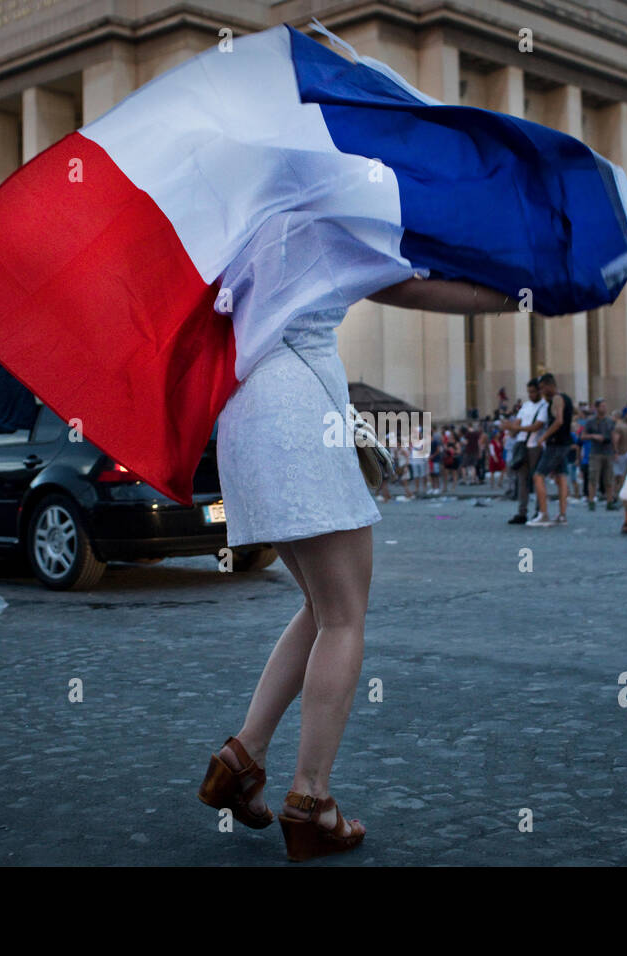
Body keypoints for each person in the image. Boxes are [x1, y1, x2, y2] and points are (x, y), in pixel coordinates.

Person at [196, 276, 519, 861]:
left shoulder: (241, 214)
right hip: (302, 415)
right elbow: (407, 286)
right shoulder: (324, 201)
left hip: (244, 417)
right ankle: (311, 799)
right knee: (344, 617)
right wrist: (515, 293)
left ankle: (241, 760)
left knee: (322, 607)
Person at [528, 373, 573, 527]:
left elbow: (559, 420)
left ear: (549, 385)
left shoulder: (557, 399)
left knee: (538, 476)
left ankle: (543, 513)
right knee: (561, 477)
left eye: (542, 388)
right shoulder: (567, 398)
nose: (541, 392)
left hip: (556, 444)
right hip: (564, 443)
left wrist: (543, 437)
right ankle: (562, 515)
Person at [500, 379, 547, 525]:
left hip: (535, 446)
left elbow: (536, 426)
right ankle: (522, 512)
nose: (531, 395)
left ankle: (539, 511)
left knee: (537, 479)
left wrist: (516, 428)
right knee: (522, 480)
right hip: (521, 444)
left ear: (539, 390)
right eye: (529, 392)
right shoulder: (525, 406)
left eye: (533, 391)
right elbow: (517, 424)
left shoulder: (544, 406)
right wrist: (509, 427)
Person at [583, 399, 615, 510]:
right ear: (596, 408)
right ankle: (591, 501)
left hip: (608, 452)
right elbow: (583, 436)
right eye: (602, 406)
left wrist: (615, 451)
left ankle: (610, 501)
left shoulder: (610, 421)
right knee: (593, 478)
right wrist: (593, 436)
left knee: (609, 478)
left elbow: (613, 436)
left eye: (605, 406)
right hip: (595, 452)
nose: (604, 408)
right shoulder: (590, 421)